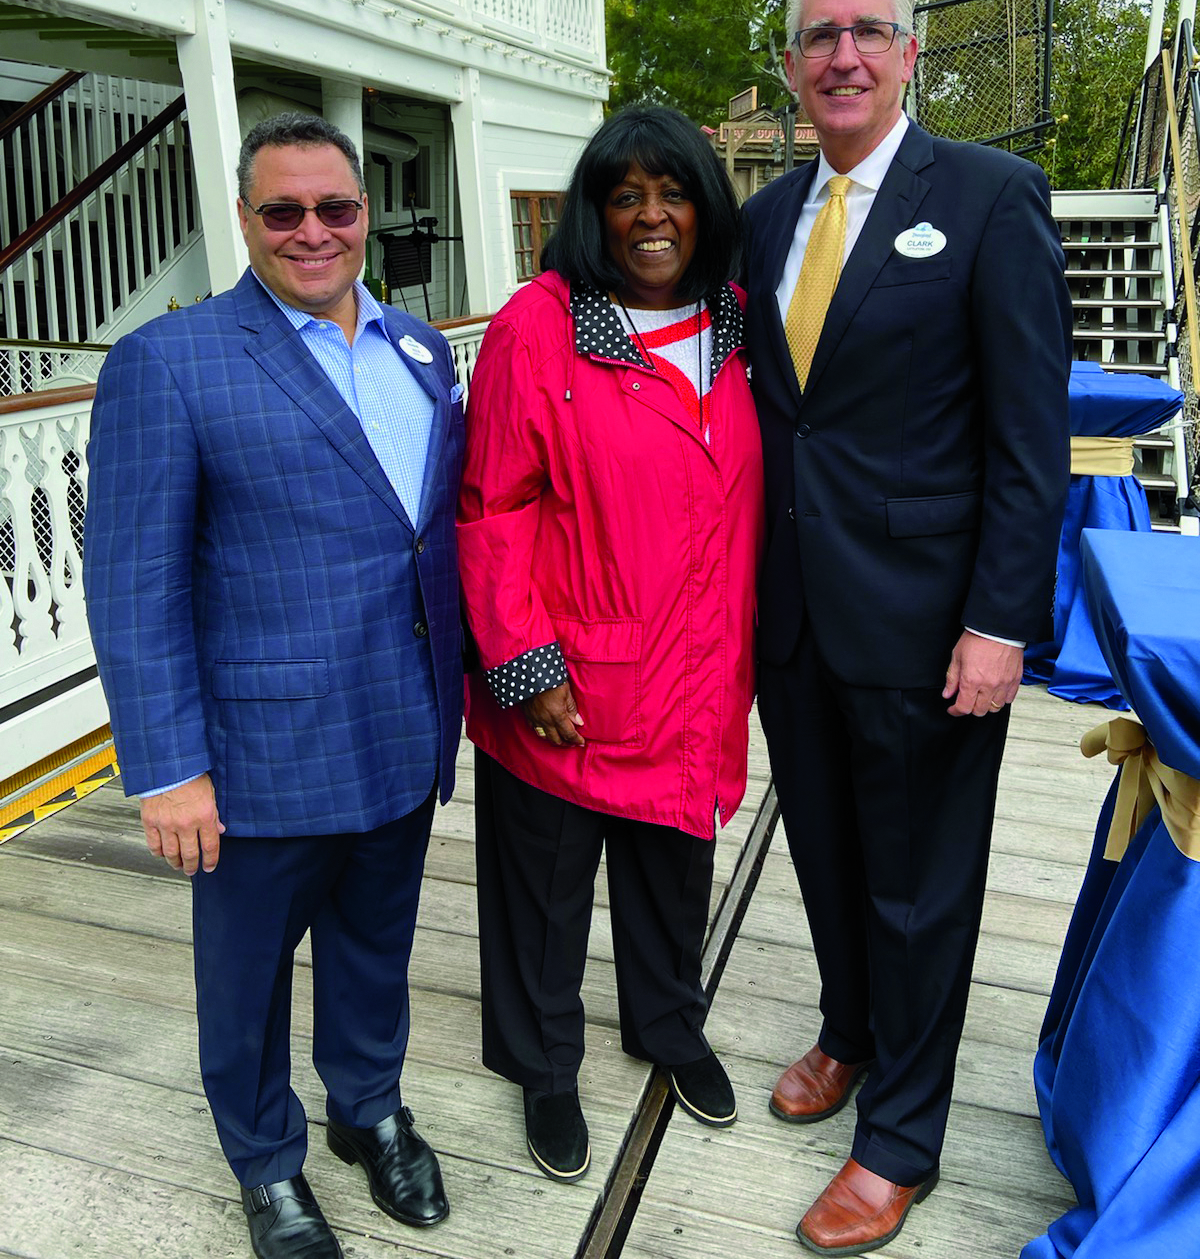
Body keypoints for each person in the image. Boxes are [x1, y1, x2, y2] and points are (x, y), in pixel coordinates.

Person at [83, 113, 464, 1259]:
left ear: (365, 217)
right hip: (257, 752)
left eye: (335, 208)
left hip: (401, 720)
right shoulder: (171, 361)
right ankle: (265, 1161)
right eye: (283, 210)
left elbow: (423, 539)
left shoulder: (418, 348)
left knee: (374, 946)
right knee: (245, 977)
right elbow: (133, 578)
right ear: (245, 221)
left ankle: (367, 1109)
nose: (313, 230)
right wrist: (167, 767)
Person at [742, 0, 1071, 1257]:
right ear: (791, 66)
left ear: (910, 50)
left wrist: (1001, 621)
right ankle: (851, 1031)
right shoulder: (765, 218)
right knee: (825, 854)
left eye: (868, 31)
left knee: (923, 886)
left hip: (933, 625)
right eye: (820, 37)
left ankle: (901, 1137)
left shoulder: (990, 198)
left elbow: (1027, 439)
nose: (844, 56)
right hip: (796, 614)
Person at [457, 105, 764, 1184]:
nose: (649, 215)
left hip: (694, 670)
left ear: (702, 206)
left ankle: (667, 1025)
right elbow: (493, 509)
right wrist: (527, 666)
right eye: (624, 194)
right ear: (593, 212)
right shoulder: (542, 327)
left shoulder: (734, 322)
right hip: (569, 680)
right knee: (545, 892)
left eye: (671, 191)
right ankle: (544, 1062)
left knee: (675, 873)